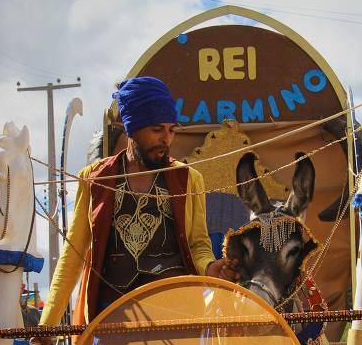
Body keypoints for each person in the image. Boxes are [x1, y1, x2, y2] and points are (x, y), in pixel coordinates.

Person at [40, 76, 237, 328]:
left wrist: (209, 267)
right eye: (157, 130)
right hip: (112, 322)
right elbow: (72, 256)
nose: (166, 139)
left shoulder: (188, 179)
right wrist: (45, 328)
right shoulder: (94, 178)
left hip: (177, 318)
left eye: (171, 130)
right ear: (131, 128)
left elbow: (198, 244)